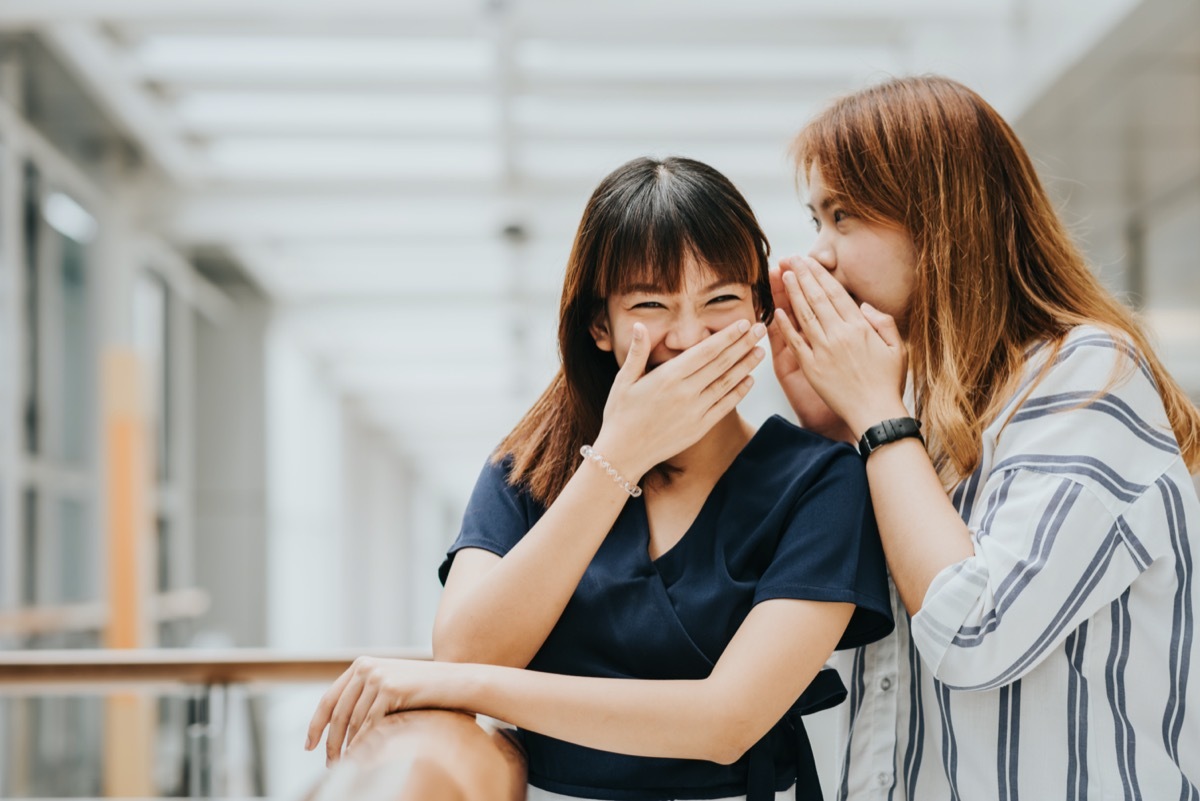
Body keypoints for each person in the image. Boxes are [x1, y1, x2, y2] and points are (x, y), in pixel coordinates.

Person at [304, 155, 894, 801]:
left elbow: (727, 722)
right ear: (600, 326)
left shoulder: (821, 480)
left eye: (721, 299)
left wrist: (456, 686)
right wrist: (615, 461)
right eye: (650, 304)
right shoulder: (528, 465)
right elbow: (472, 644)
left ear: (759, 309)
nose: (689, 335)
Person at [769, 74, 1200, 800]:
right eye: (815, 221)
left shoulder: (1087, 373)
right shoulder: (918, 427)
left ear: (939, 216)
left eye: (843, 216)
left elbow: (974, 632)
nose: (820, 257)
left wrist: (875, 418)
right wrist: (844, 435)